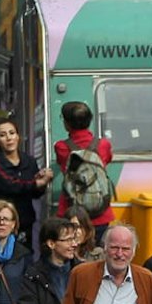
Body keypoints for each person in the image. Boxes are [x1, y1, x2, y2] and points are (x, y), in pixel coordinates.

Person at [53, 101, 116, 243]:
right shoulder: (103, 145)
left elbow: (62, 165)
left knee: (71, 251)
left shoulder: (61, 147)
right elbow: (107, 160)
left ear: (66, 123)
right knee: (98, 252)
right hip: (100, 211)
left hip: (71, 211)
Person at [0, 117, 51, 240]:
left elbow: (35, 193)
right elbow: (10, 184)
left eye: (12, 133)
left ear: (18, 136)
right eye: (3, 135)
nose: (9, 138)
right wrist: (36, 183)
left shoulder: (29, 161)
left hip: (24, 222)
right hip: (1, 223)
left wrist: (42, 180)